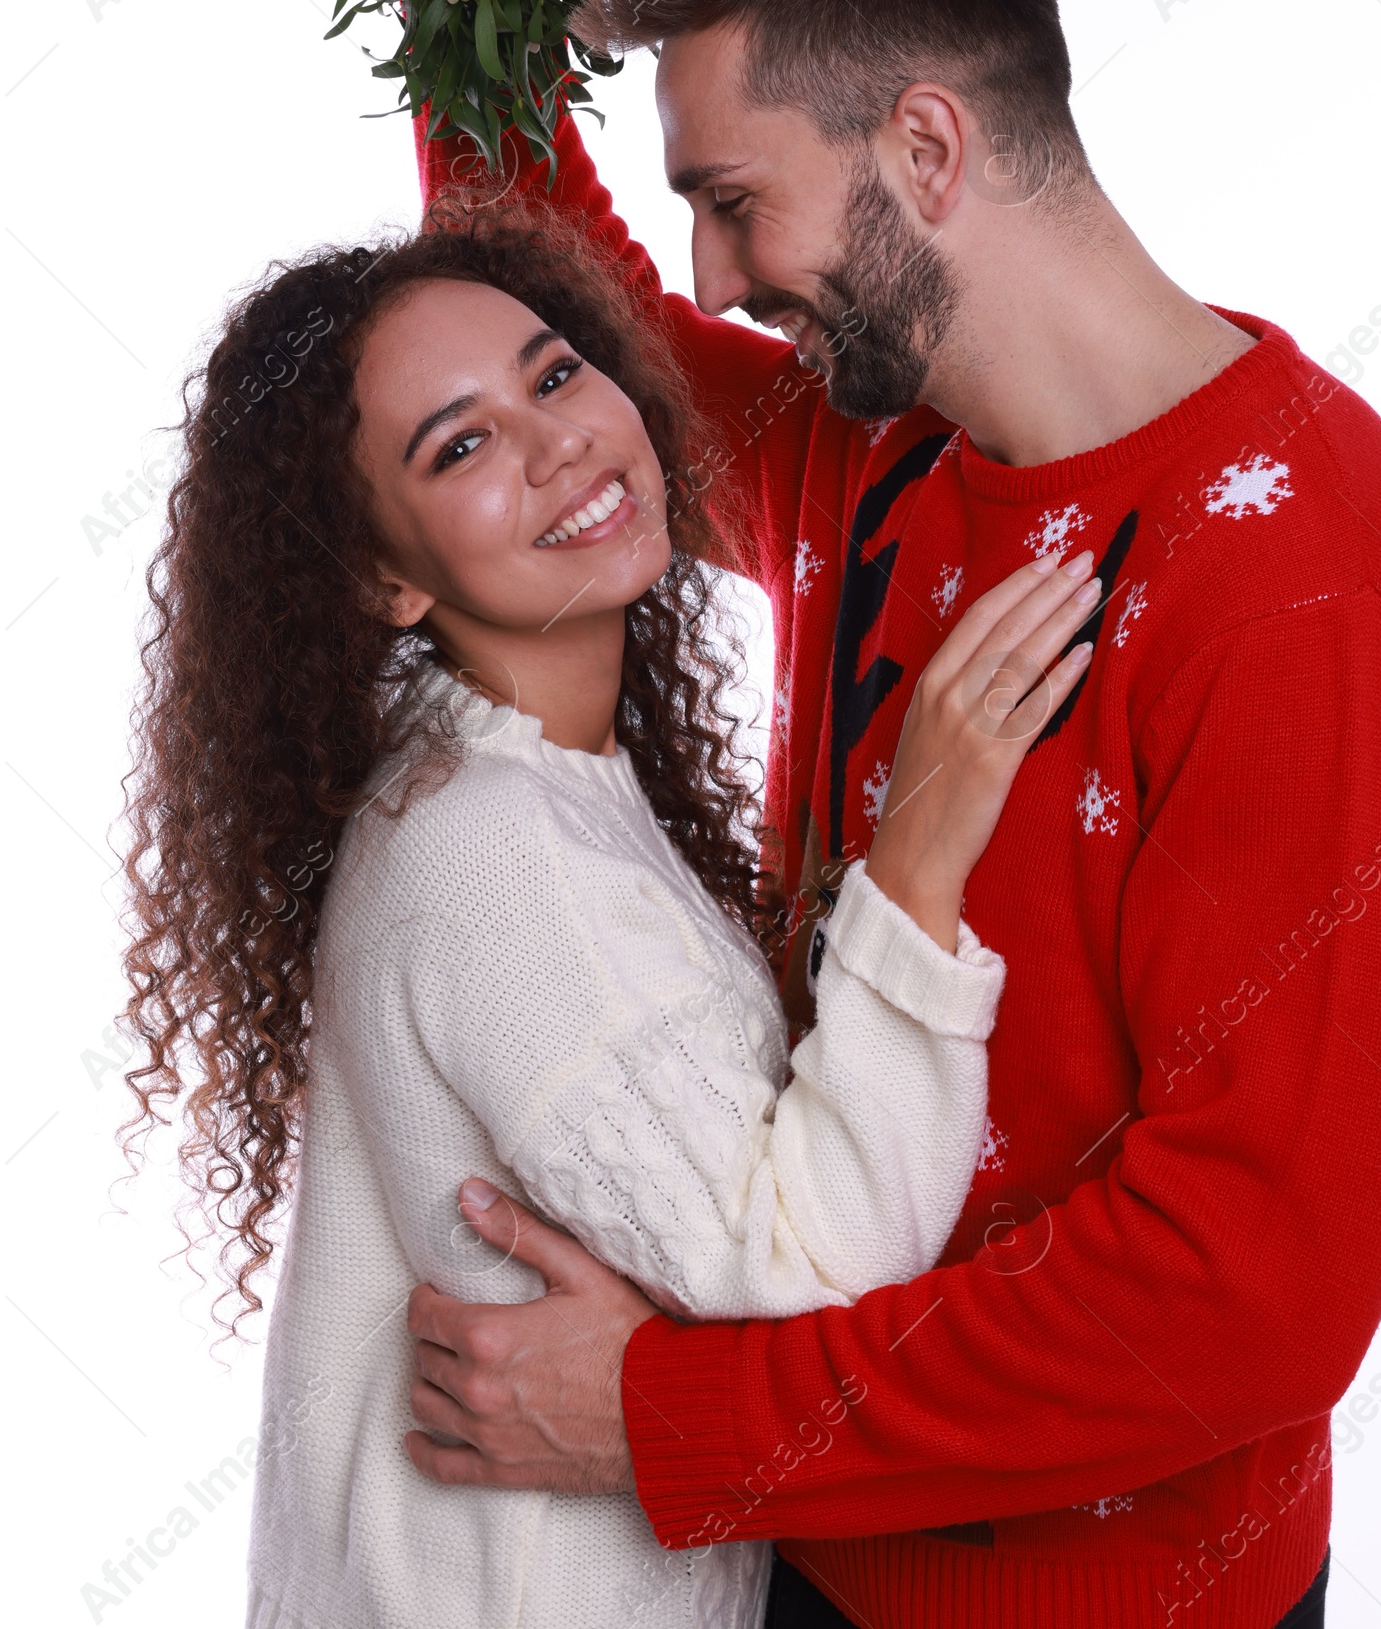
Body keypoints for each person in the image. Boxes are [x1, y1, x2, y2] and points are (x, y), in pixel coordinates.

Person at [386, 0, 1381, 1629]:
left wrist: (668, 1415)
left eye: (734, 202)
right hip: (798, 1553)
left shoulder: (1321, 596)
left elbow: (1236, 1302)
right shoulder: (873, 444)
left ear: (923, 144)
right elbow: (563, 341)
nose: (715, 280)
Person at [118, 192, 1103, 1629]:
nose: (559, 441)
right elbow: (806, 1279)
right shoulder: (499, 855)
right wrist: (922, 854)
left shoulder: (504, 779)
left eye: (555, 372)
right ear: (388, 578)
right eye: (460, 446)